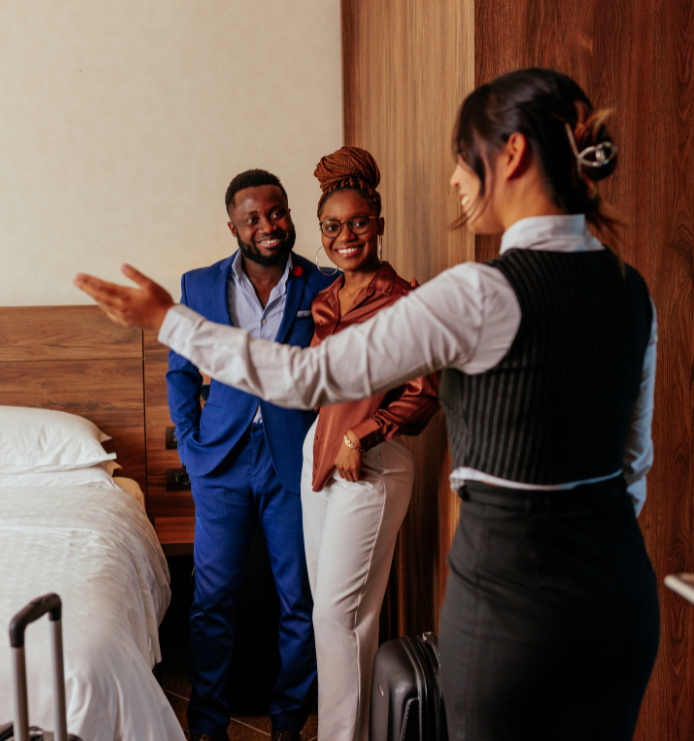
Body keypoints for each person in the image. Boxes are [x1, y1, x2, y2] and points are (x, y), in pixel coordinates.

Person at [75, 67, 660, 741]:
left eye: (463, 159)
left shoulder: (478, 293)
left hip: (513, 599)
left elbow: (310, 377)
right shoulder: (629, 287)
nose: (455, 181)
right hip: (619, 589)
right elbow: (631, 464)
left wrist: (167, 319)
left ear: (514, 154)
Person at [166, 169, 336, 741]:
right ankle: (209, 724)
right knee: (211, 601)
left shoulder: (325, 284)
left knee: (300, 602)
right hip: (222, 463)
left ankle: (289, 724)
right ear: (233, 226)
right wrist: (191, 448)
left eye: (277, 212)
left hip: (295, 460)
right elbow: (180, 373)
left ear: (290, 214)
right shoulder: (199, 286)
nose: (268, 225)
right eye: (253, 218)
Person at [302, 146, 439, 741]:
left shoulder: (405, 300)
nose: (346, 235)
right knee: (330, 618)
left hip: (372, 468)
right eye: (333, 226)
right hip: (322, 462)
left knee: (342, 617)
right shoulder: (325, 301)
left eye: (359, 222)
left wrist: (362, 431)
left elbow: (425, 392)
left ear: (379, 224)